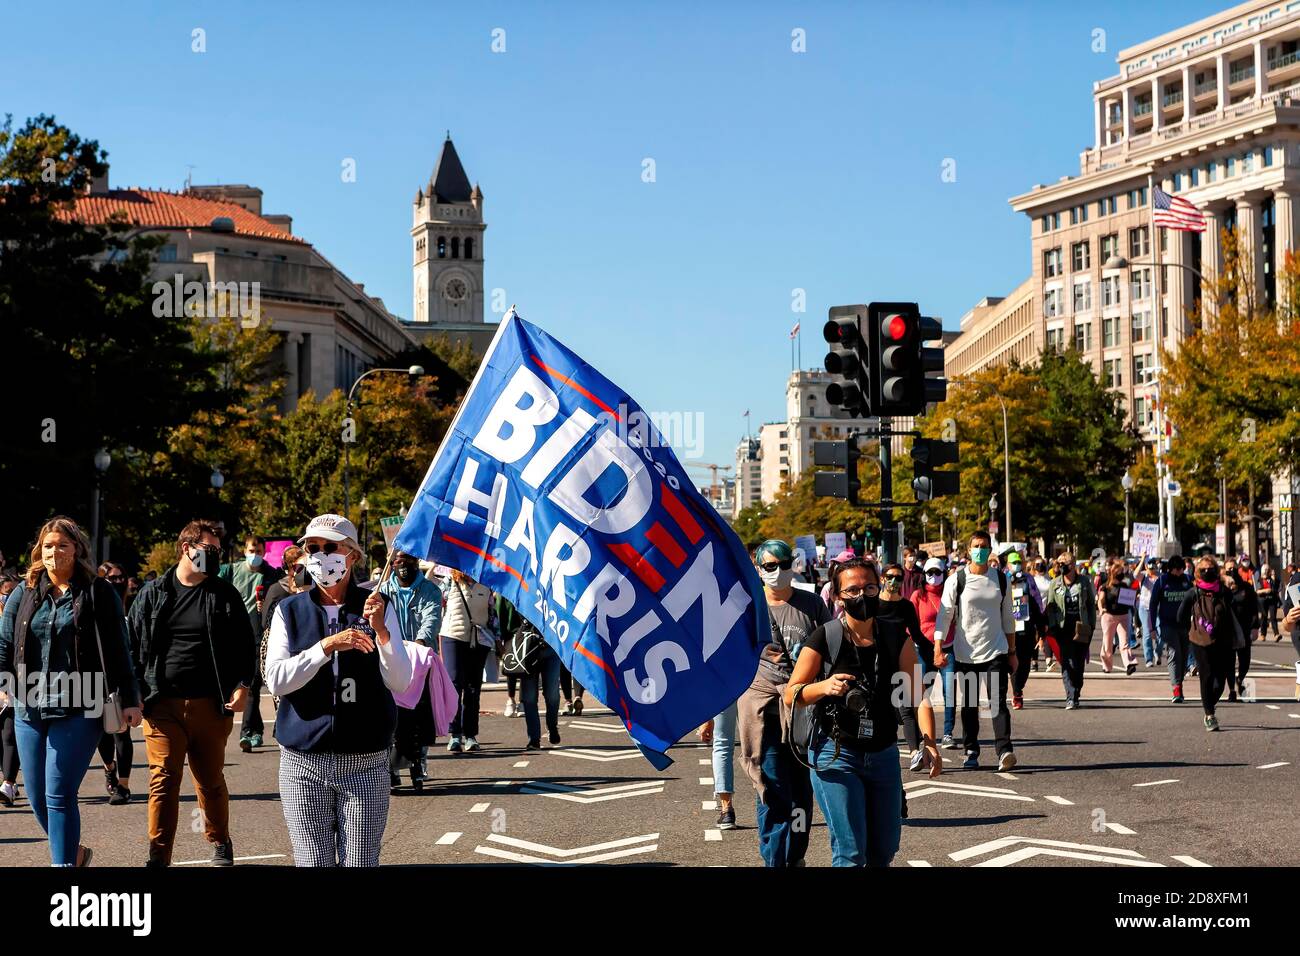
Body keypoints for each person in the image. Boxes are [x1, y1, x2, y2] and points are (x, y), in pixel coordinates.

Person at [264, 514, 413, 866]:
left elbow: (401, 681)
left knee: (360, 862)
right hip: (303, 761)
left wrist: (383, 634)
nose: (319, 555)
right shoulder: (289, 610)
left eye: (330, 547)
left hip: (364, 760)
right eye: (312, 548)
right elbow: (277, 679)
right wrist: (325, 647)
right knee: (313, 862)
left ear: (353, 556)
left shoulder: (378, 607)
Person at [0, 516, 143, 866]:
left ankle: (62, 867)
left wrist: (130, 699)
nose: (54, 552)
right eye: (48, 546)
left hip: (82, 702)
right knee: (35, 797)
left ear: (77, 549)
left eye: (62, 545)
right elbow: (4, 642)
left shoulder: (97, 591)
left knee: (59, 793)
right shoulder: (25, 590)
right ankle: (74, 853)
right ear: (39, 550)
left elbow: (118, 648)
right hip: (28, 702)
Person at [785, 558, 942, 867]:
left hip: (882, 753)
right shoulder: (825, 637)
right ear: (837, 596)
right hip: (836, 753)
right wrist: (825, 687)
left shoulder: (897, 637)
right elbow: (792, 693)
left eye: (869, 587)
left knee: (883, 851)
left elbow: (916, 697)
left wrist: (930, 742)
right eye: (852, 589)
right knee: (851, 852)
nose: (862, 595)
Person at [128, 519, 256, 867]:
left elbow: (246, 646)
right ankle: (158, 854)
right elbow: (133, 645)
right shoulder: (152, 594)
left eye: (217, 550)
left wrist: (243, 685)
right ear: (188, 548)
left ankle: (220, 841)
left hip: (210, 705)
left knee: (210, 780)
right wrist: (134, 693)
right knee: (163, 779)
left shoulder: (223, 594)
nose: (216, 556)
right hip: (161, 704)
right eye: (210, 549)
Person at [738, 539, 830, 867]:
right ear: (759, 569)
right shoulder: (748, 607)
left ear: (794, 564)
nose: (777, 571)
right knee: (773, 792)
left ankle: (796, 859)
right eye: (769, 566)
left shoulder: (812, 604)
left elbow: (830, 649)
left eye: (783, 563)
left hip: (805, 714)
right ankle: (774, 861)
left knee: (803, 795)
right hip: (763, 715)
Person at [932, 531, 1016, 771]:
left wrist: (1012, 651)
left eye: (985, 546)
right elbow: (944, 616)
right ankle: (971, 749)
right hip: (965, 652)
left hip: (996, 650)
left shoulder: (1001, 579)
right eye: (976, 546)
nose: (980, 550)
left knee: (998, 702)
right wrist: (938, 647)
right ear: (969, 550)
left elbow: (1008, 617)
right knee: (969, 706)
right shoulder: (956, 580)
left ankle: (1005, 750)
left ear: (990, 550)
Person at [379, 551, 443, 789]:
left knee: (417, 715)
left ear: (416, 562)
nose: (402, 564)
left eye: (408, 559)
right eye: (398, 559)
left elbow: (432, 619)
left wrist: (420, 643)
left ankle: (418, 762)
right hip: (391, 660)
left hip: (419, 661)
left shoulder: (430, 590)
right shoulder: (383, 591)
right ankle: (392, 766)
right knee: (392, 715)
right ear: (392, 562)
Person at [219, 536, 284, 753]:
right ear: (244, 550)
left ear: (264, 552)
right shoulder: (231, 571)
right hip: (232, 631)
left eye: (258, 550)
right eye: (250, 550)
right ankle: (253, 730)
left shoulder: (271, 575)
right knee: (241, 683)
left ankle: (248, 731)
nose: (254, 554)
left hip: (257, 632)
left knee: (253, 682)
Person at [877, 563, 928, 772]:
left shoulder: (906, 607)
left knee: (906, 708)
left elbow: (917, 635)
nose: (894, 582)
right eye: (890, 577)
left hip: (903, 662)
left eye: (898, 578)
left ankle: (915, 752)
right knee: (888, 712)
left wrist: (937, 650)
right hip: (879, 666)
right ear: (882, 578)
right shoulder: (873, 605)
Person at [1177, 555, 1236, 732]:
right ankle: (1209, 714)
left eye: (1210, 569)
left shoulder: (1224, 592)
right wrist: (1192, 630)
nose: (1207, 572)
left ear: (1216, 571)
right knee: (1207, 676)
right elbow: (1181, 616)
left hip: (1222, 640)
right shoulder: (1192, 593)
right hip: (1200, 640)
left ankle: (1210, 702)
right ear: (1197, 573)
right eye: (1203, 570)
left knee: (1220, 680)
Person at [439, 569, 492, 754]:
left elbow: (492, 614)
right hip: (452, 637)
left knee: (473, 688)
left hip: (478, 640)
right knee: (454, 685)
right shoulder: (449, 581)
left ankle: (471, 735)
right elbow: (430, 585)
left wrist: (498, 640)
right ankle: (455, 735)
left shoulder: (487, 583)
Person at [95, 561, 135, 805]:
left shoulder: (133, 602)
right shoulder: (96, 602)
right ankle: (109, 767)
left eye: (121, 577)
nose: (117, 582)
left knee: (122, 732)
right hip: (98, 678)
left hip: (123, 676)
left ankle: (124, 784)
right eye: (112, 578)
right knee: (103, 734)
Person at [911, 556, 957, 749]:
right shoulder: (917, 596)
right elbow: (911, 624)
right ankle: (921, 732)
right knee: (921, 693)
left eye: (938, 572)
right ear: (924, 574)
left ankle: (948, 733)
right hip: (923, 649)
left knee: (950, 691)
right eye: (930, 572)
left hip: (948, 648)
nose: (934, 576)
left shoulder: (951, 594)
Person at [1043, 552, 1096, 709]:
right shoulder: (1054, 584)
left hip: (1081, 627)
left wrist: (1091, 625)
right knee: (1067, 662)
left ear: (1072, 565)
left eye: (1064, 564)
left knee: (1078, 663)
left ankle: (1077, 689)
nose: (1061, 567)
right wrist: (1052, 626)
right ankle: (1070, 697)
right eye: (1059, 564)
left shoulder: (1084, 582)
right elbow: (1050, 606)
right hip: (1063, 628)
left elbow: (1090, 604)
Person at [1148, 555, 1194, 703]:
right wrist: (1152, 627)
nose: (1180, 572)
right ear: (1171, 569)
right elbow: (1153, 604)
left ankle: (1179, 683)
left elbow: (1196, 600)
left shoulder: (1187, 581)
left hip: (1186, 625)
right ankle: (1176, 689)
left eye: (1182, 569)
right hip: (1167, 625)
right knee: (1174, 654)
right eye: (1178, 569)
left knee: (1184, 656)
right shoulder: (1162, 582)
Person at [1005, 549, 1045, 709]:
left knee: (1026, 663)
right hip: (1010, 628)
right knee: (1013, 661)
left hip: (1027, 627)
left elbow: (1036, 602)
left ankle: (1019, 686)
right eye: (1013, 562)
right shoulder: (1003, 578)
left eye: (1018, 562)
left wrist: (1041, 625)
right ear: (1007, 564)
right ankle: (1017, 693)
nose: (1016, 565)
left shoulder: (1029, 579)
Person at [1221, 557, 1259, 703]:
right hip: (1227, 630)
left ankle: (1240, 678)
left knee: (1245, 661)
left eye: (1233, 568)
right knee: (1229, 662)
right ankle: (1231, 690)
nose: (1231, 571)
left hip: (1244, 629)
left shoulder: (1246, 588)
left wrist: (1255, 627)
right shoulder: (1222, 589)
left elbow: (1254, 608)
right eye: (1228, 569)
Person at [699, 698, 738, 829]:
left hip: (726, 686)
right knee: (759, 744)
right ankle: (769, 807)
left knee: (723, 745)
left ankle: (727, 809)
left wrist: (707, 717)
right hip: (754, 685)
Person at [1097, 560, 1138, 676]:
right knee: (1107, 643)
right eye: (1119, 572)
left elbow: (1129, 601)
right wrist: (1101, 609)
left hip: (1123, 616)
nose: (1121, 575)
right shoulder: (1105, 587)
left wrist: (1134, 599)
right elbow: (1100, 601)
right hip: (1109, 616)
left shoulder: (1124, 585)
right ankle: (1107, 666)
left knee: (1124, 642)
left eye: (1122, 572)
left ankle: (1129, 664)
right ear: (1113, 573)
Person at [1138, 558, 1163, 667]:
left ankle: (1157, 652)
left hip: (1157, 609)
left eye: (1154, 567)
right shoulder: (1143, 575)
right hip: (1145, 608)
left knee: (1162, 632)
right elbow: (1135, 574)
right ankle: (1148, 659)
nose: (1152, 569)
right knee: (1147, 633)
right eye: (1150, 567)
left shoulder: (1161, 577)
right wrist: (1142, 559)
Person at [1257, 564, 1279, 641]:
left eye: (1268, 570)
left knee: (1273, 617)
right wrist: (1265, 590)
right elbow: (1257, 591)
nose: (1266, 571)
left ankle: (1276, 634)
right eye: (1265, 569)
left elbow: (1276, 588)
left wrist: (1273, 578)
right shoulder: (1259, 579)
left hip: (1272, 600)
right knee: (1264, 617)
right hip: (1262, 600)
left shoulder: (1272, 579)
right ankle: (1263, 634)